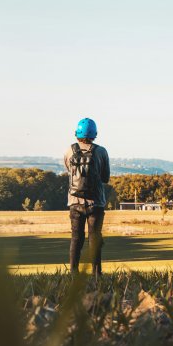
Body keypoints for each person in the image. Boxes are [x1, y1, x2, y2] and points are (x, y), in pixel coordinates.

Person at [64, 118, 110, 278]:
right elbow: (105, 178)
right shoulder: (101, 151)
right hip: (95, 203)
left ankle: (73, 272)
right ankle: (96, 273)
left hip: (74, 202)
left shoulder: (69, 151)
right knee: (94, 237)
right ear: (94, 134)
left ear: (77, 133)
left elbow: (68, 171)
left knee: (76, 237)